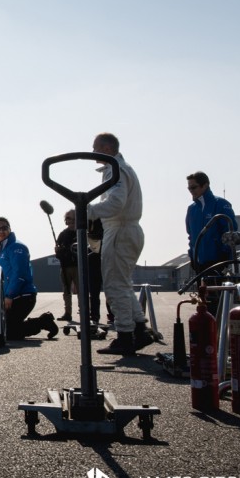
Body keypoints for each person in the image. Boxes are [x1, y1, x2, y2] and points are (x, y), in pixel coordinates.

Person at [88, 133, 155, 355]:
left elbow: (116, 203)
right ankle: (139, 329)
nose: (92, 152)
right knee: (123, 284)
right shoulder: (120, 168)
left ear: (107, 149)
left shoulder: (115, 170)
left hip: (120, 230)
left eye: (95, 148)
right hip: (126, 230)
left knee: (114, 285)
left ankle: (125, 336)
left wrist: (87, 211)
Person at [0, 217, 58, 340]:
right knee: (3, 329)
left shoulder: (17, 247)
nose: (1, 231)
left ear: (10, 229)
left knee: (10, 333)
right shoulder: (2, 250)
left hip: (23, 297)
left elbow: (19, 274)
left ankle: (43, 321)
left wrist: (9, 295)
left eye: (4, 228)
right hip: (14, 297)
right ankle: (39, 322)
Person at [185, 171, 238, 316]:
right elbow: (191, 236)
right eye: (189, 188)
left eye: (194, 187)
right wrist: (192, 256)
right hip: (199, 264)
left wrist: (223, 257)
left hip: (217, 262)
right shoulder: (192, 209)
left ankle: (220, 333)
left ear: (205, 185)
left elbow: (230, 233)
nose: (191, 191)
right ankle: (207, 334)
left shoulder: (221, 204)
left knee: (218, 303)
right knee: (203, 302)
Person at [54, 210, 78, 321]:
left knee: (81, 291)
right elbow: (58, 253)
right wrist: (58, 251)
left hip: (79, 267)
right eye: (68, 218)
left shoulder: (82, 233)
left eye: (73, 218)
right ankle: (67, 313)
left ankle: (84, 312)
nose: (71, 221)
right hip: (65, 266)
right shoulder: (63, 234)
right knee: (66, 291)